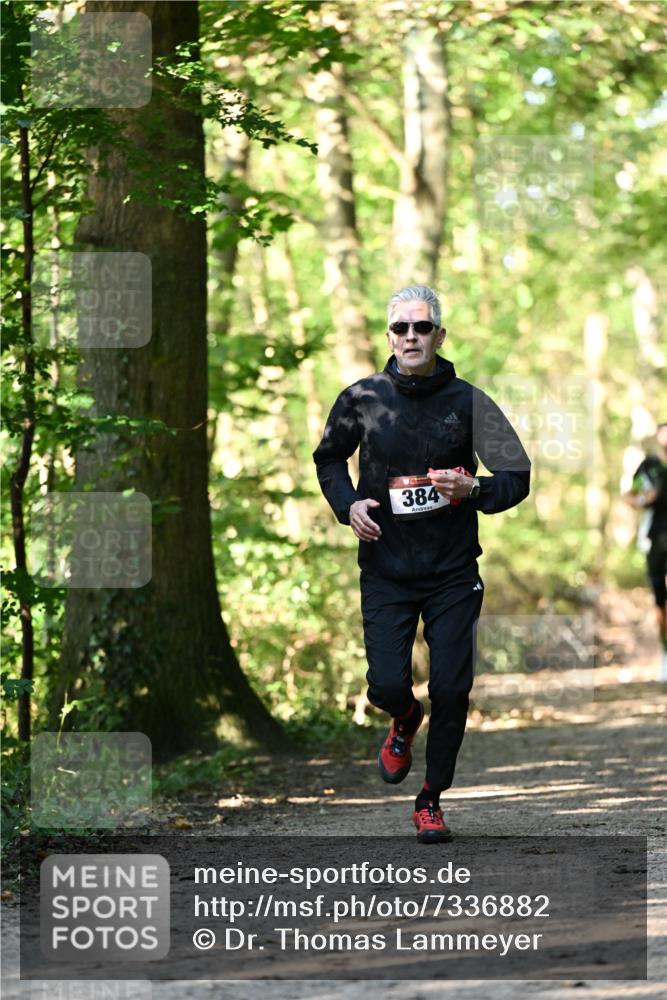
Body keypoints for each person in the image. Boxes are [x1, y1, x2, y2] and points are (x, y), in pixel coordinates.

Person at [313, 285, 531, 843]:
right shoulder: (362, 398)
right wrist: (348, 504)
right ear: (390, 337)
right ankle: (403, 717)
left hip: (453, 570)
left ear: (439, 335)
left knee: (453, 689)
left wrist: (473, 488)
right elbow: (329, 458)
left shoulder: (469, 401)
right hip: (386, 565)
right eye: (402, 328)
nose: (412, 336)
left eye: (423, 327)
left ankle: (431, 796)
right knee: (387, 684)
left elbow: (516, 476)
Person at [622, 422, 667, 679]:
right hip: (656, 538)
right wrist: (643, 499)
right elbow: (629, 496)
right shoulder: (650, 466)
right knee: (660, 599)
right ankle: (665, 652)